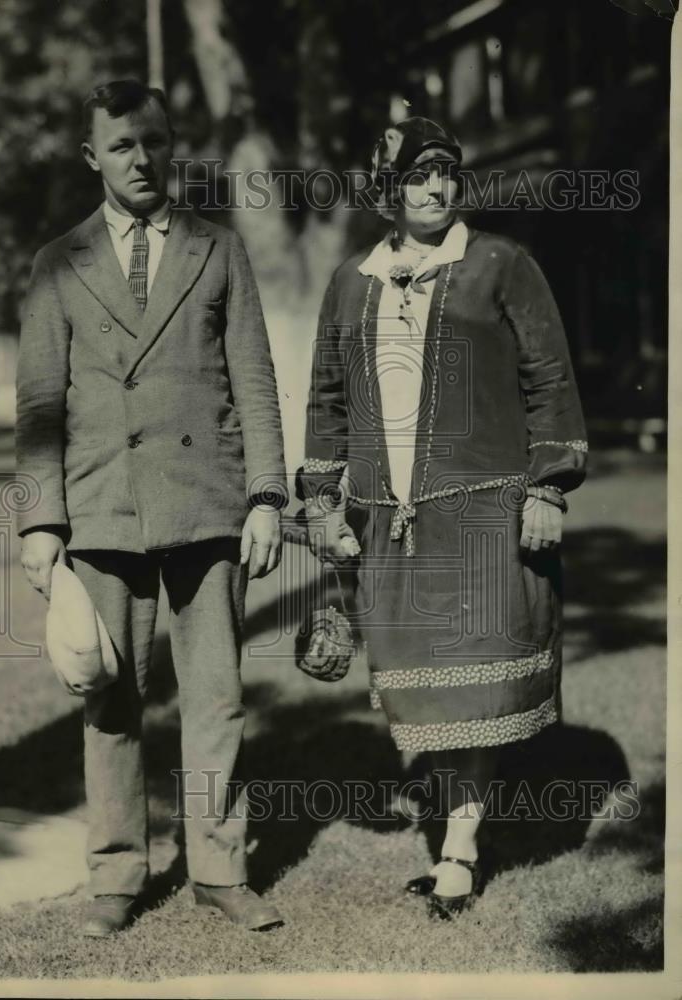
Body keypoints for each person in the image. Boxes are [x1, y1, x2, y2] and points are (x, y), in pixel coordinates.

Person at [16, 79, 288, 936]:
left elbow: (254, 381)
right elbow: (37, 407)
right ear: (92, 156)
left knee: (215, 698)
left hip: (207, 505)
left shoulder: (217, 248)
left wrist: (267, 496)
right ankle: (116, 876)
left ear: (174, 146)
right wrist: (39, 522)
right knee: (111, 698)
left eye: (155, 141)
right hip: (103, 511)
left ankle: (217, 869)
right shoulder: (58, 263)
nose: (143, 159)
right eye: (123, 145)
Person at [297, 116, 587, 919]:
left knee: (474, 693)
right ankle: (455, 821)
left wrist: (547, 485)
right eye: (418, 177)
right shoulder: (352, 280)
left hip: (486, 513)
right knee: (422, 695)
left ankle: (459, 844)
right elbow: (324, 400)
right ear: (386, 190)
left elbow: (549, 379)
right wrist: (321, 501)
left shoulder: (501, 265)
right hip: (388, 520)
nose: (435, 189)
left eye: (446, 175)